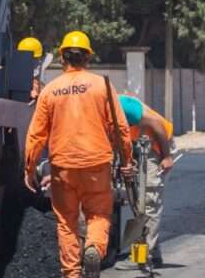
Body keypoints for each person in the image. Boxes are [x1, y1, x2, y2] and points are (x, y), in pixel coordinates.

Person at [25, 31, 133, 278]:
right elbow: (121, 129)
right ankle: (94, 247)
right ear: (87, 58)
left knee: (66, 222)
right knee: (98, 214)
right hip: (97, 164)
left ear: (62, 57)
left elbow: (36, 135)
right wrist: (127, 161)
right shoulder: (101, 86)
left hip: (62, 168)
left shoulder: (50, 90)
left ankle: (71, 273)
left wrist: (29, 168)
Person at [115, 94, 174, 269]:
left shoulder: (121, 104)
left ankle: (142, 257)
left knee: (149, 200)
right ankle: (153, 254)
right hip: (138, 147)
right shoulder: (96, 110)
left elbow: (156, 123)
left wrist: (167, 155)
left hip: (156, 146)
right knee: (139, 202)